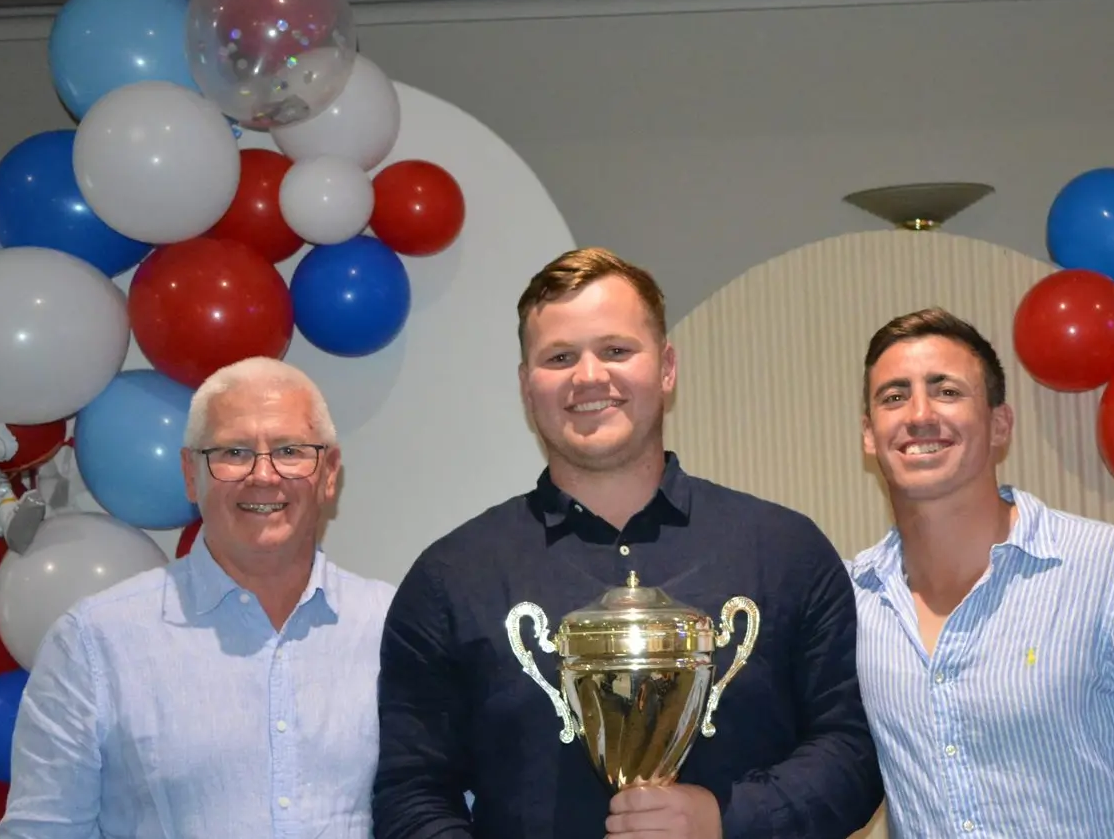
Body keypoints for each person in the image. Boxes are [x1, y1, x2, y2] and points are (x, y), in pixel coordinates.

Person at [374, 247, 883, 839]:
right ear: (525, 385)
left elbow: (852, 753)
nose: (589, 376)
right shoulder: (450, 578)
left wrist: (728, 818)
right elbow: (411, 794)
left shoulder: (786, 551)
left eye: (616, 350)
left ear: (666, 367)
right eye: (559, 357)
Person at [847, 307, 1114, 838]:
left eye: (946, 391)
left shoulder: (1113, 573)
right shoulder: (852, 602)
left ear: (999, 424)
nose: (919, 414)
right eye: (894, 396)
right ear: (871, 436)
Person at [0, 357, 395, 839]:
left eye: (290, 450)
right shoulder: (94, 644)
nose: (264, 475)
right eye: (234, 452)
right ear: (191, 474)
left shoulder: (395, 629)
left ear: (329, 473)